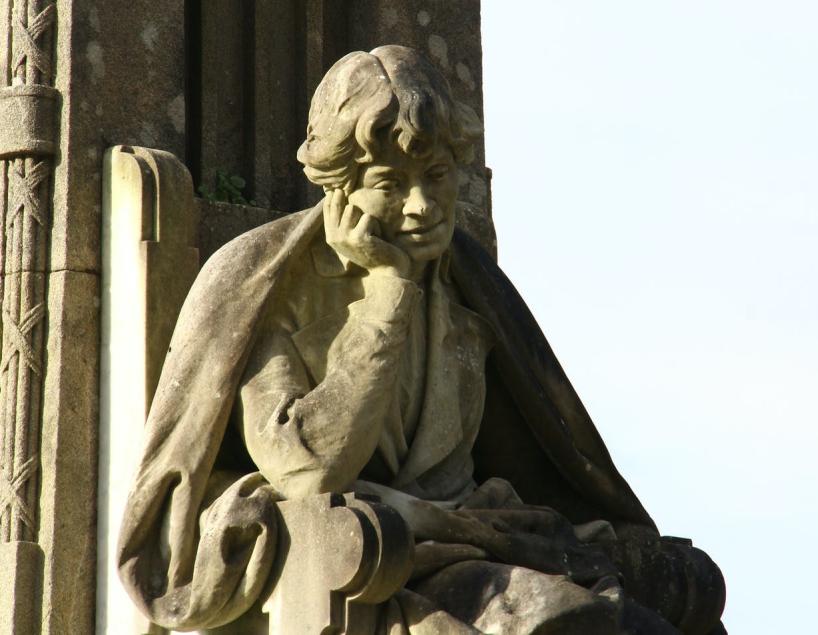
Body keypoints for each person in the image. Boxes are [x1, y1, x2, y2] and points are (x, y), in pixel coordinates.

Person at [118, 46, 725, 634]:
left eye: (437, 176)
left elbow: (548, 456)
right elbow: (307, 470)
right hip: (385, 554)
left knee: (669, 597)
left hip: (476, 536)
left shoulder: (470, 284)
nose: (422, 205)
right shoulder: (265, 284)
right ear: (341, 189)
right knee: (554, 619)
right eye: (391, 182)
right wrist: (387, 297)